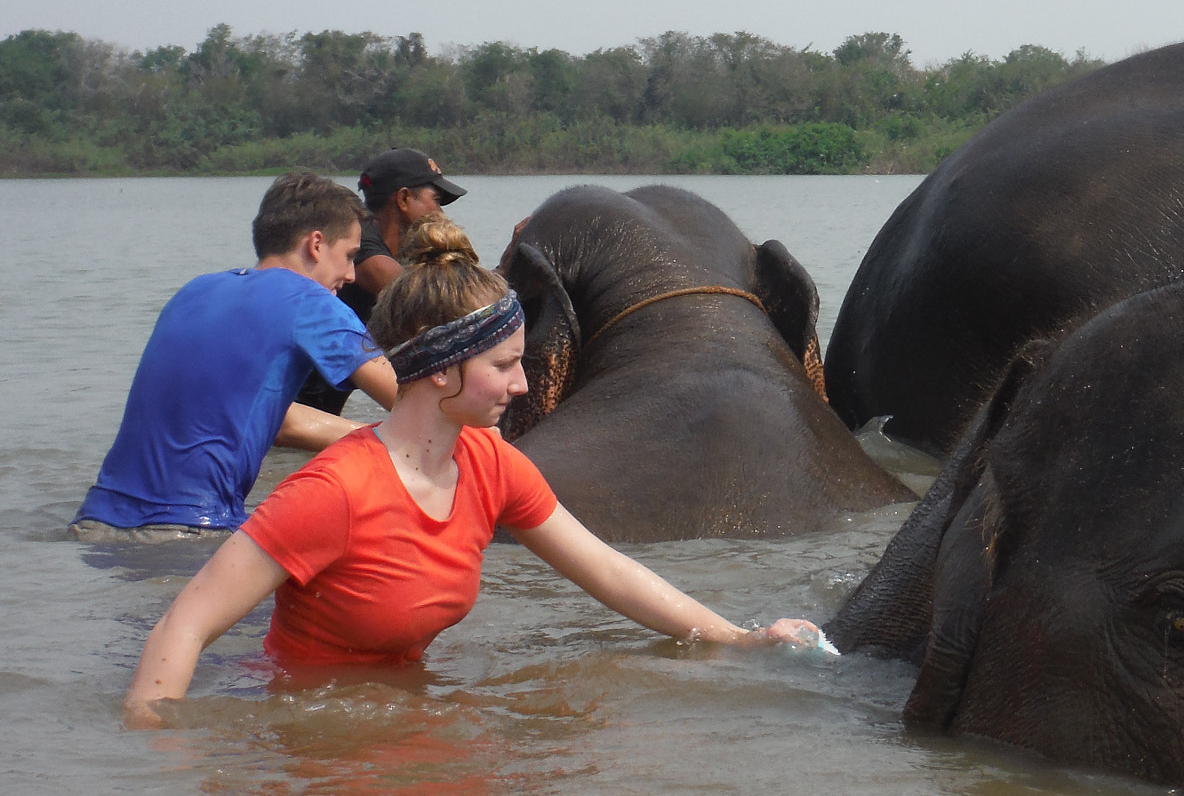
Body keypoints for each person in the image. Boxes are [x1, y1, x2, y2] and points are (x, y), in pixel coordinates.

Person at [124, 217, 822, 724]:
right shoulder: (333, 492)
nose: (522, 385)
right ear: (439, 369)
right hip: (313, 728)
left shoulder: (490, 463)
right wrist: (161, 769)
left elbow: (606, 569)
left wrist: (737, 639)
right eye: (504, 365)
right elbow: (182, 626)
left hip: (404, 704)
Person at [74, 173, 400, 539]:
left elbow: (274, 419)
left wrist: (379, 439)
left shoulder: (194, 291)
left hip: (93, 520)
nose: (352, 275)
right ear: (316, 244)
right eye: (349, 256)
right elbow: (410, 401)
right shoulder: (313, 303)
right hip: (189, 528)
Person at [297, 148, 466, 414]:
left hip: (310, 414)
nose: (440, 212)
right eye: (436, 199)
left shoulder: (401, 253)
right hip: (285, 414)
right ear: (404, 198)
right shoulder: (357, 243)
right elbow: (427, 299)